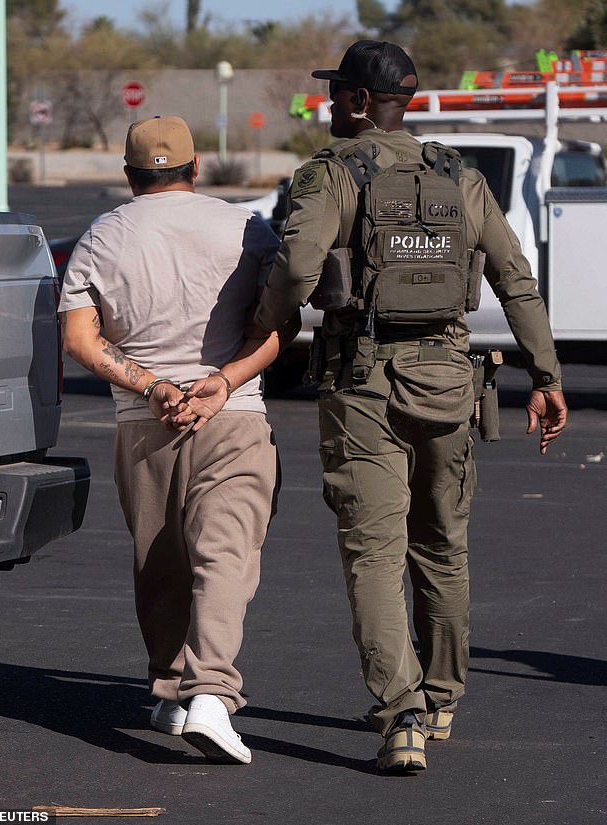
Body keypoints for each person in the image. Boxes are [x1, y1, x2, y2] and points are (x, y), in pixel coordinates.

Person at [216, 40, 567, 773]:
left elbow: (299, 265)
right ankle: (439, 700)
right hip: (449, 379)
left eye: (334, 93)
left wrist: (263, 325)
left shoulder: (331, 174)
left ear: (353, 101)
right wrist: (546, 374)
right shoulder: (459, 176)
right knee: (442, 548)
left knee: (374, 553)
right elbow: (515, 277)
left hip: (362, 384)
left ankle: (399, 714)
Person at [59, 115, 290, 765]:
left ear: (130, 175)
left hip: (142, 423)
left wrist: (149, 383)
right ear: (195, 168)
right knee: (223, 553)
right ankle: (211, 695)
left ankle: (169, 691)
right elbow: (276, 328)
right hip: (233, 415)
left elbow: (79, 339)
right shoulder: (249, 229)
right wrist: (222, 379)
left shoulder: (102, 235)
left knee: (159, 560)